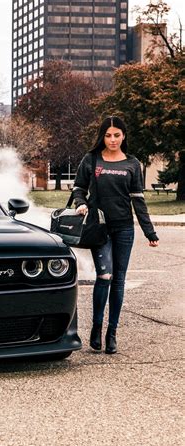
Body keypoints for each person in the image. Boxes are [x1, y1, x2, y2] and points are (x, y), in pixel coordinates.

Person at [72, 116, 159, 354]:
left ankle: (112, 334)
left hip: (124, 228)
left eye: (117, 135)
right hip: (99, 228)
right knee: (104, 276)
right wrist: (81, 203)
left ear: (124, 136)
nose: (112, 139)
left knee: (118, 280)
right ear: (102, 136)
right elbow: (79, 187)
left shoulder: (132, 164)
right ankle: (96, 329)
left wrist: (149, 231)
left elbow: (138, 201)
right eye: (108, 135)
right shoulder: (91, 159)